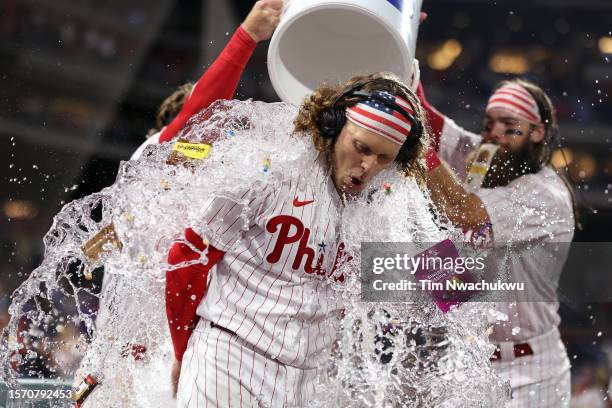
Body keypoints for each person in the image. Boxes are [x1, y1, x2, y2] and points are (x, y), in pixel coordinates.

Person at [166, 73, 429, 407]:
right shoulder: (270, 167)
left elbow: (451, 287)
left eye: (384, 158)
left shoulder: (377, 212)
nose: (367, 166)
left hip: (304, 384)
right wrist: (180, 348)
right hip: (227, 359)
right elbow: (186, 257)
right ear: (334, 125)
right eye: (362, 148)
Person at [419, 79, 575, 406]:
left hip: (532, 371)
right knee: (423, 250)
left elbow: (463, 211)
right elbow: (427, 120)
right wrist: (405, 68)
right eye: (489, 124)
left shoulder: (546, 194)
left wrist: (419, 151)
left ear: (537, 132)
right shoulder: (486, 156)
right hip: (467, 359)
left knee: (439, 239)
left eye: (509, 125)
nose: (494, 134)